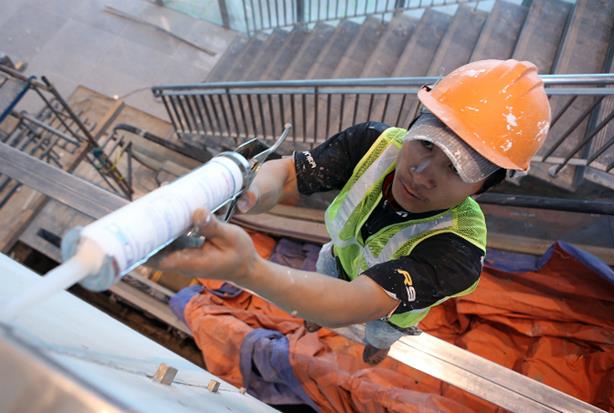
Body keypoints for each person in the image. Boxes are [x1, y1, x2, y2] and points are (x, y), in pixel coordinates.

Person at [157, 59, 551, 365]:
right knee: (324, 294)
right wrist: (243, 191)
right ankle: (315, 313)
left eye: (455, 169)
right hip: (339, 259)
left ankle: (376, 348)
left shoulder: (457, 251)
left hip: (386, 307)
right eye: (427, 144)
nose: (421, 173)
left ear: (482, 187)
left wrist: (250, 271)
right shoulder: (373, 145)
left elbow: (361, 301)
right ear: (414, 124)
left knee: (380, 330)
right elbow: (290, 176)